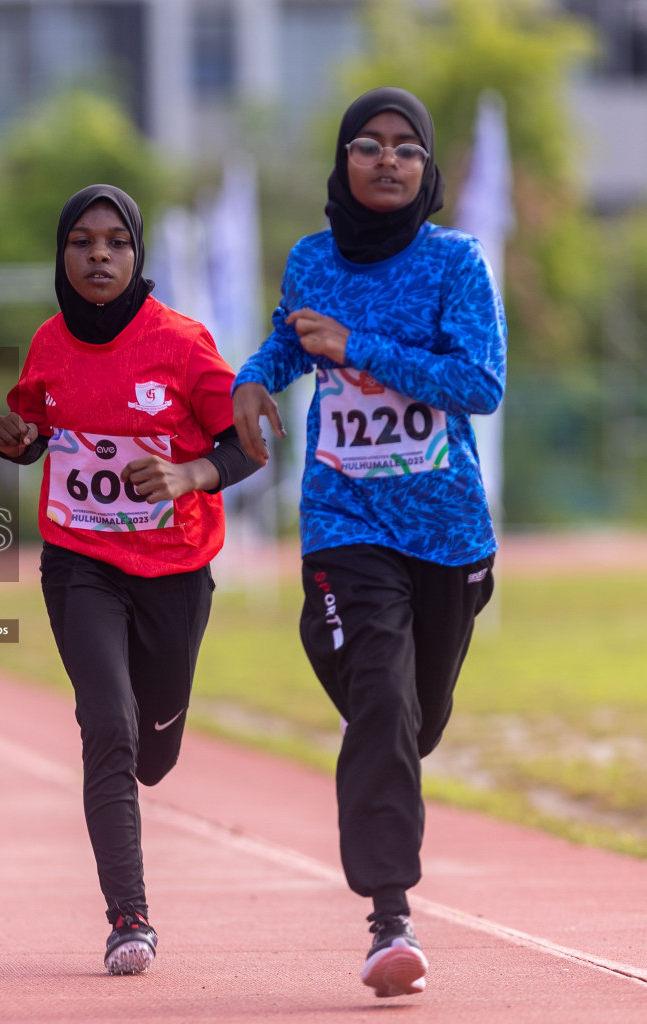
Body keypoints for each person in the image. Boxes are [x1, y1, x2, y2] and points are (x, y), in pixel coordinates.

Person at [232, 87, 504, 999]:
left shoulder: (455, 263)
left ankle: (376, 721)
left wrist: (363, 344)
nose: (388, 161)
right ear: (343, 162)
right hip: (346, 518)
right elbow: (286, 348)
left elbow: (481, 382)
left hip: (448, 530)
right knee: (383, 700)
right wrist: (253, 378)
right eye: (368, 145)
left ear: (426, 169)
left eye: (406, 149)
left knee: (415, 716)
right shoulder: (312, 259)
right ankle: (391, 918)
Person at [0, 184, 259, 976]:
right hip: (79, 562)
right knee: (107, 723)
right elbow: (40, 430)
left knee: (152, 750)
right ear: (62, 254)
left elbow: (248, 442)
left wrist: (190, 473)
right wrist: (18, 443)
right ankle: (128, 917)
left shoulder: (180, 342)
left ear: (137, 256)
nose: (98, 255)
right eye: (82, 241)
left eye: (115, 242)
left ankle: (159, 734)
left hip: (175, 568)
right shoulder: (47, 342)